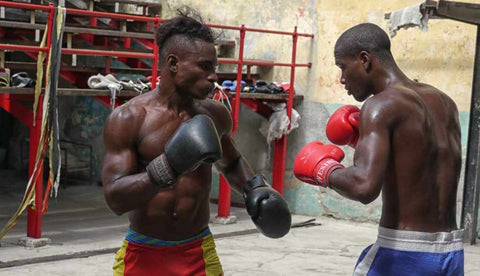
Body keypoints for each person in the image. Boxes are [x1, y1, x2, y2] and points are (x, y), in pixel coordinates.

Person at [101, 10, 291, 276]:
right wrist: (166, 168)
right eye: (205, 67)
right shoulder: (129, 118)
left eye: (214, 68)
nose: (214, 76)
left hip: (197, 251)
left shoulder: (215, 115)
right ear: (173, 63)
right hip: (142, 253)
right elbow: (115, 199)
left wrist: (255, 189)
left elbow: (232, 160)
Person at [293, 23, 464, 275]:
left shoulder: (380, 106)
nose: (341, 79)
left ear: (364, 60)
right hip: (451, 253)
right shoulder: (444, 102)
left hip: (405, 254)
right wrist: (359, 142)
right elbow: (418, 164)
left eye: (342, 66)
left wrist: (323, 169)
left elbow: (364, 187)